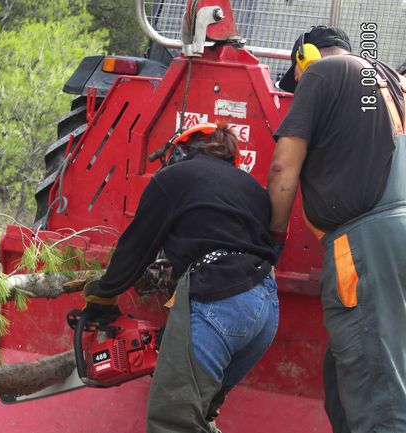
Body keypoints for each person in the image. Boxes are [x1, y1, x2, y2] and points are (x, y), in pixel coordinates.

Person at [83, 122, 279, 433]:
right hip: (264, 308)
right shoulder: (252, 189)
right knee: (201, 416)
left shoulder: (174, 177)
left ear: (181, 149)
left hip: (219, 302)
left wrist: (102, 297)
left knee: (172, 424)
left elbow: (137, 246)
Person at [268, 25, 406, 433]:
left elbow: (283, 165)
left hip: (364, 245)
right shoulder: (387, 80)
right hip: (396, 236)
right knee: (348, 375)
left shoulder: (320, 74)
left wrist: (274, 234)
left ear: (303, 59)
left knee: (375, 388)